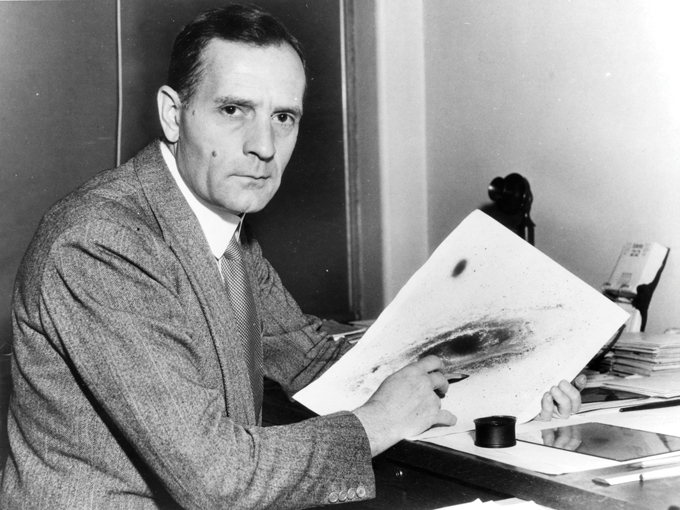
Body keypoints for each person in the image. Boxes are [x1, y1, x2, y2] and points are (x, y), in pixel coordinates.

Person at [0, 5, 585, 509]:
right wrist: (381, 420)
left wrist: (510, 382)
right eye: (234, 110)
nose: (264, 146)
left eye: (284, 117)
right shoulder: (103, 241)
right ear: (174, 115)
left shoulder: (223, 229)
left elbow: (314, 362)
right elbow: (218, 481)